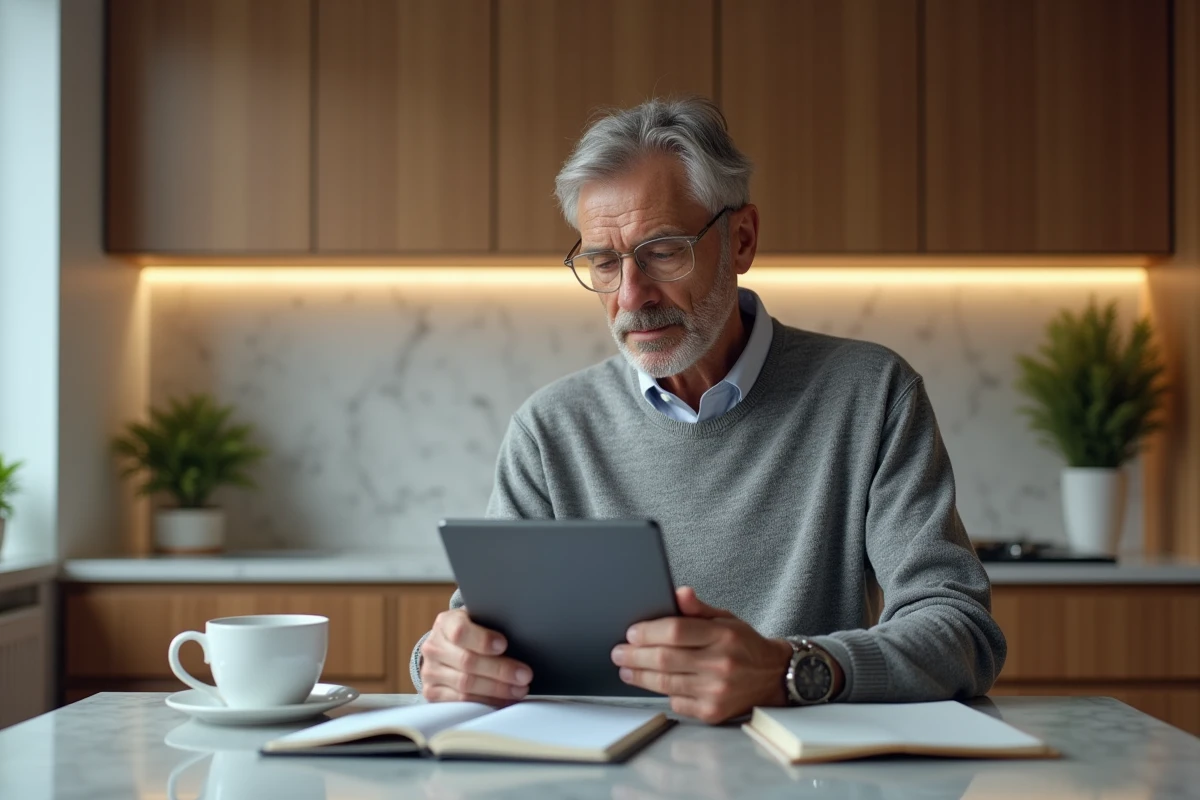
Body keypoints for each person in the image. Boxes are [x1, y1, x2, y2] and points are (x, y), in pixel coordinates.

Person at [411, 97, 1005, 723]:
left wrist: (788, 670)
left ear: (741, 239)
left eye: (663, 251)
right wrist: (439, 659)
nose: (631, 296)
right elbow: (474, 635)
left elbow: (961, 629)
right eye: (604, 263)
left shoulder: (871, 393)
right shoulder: (549, 429)